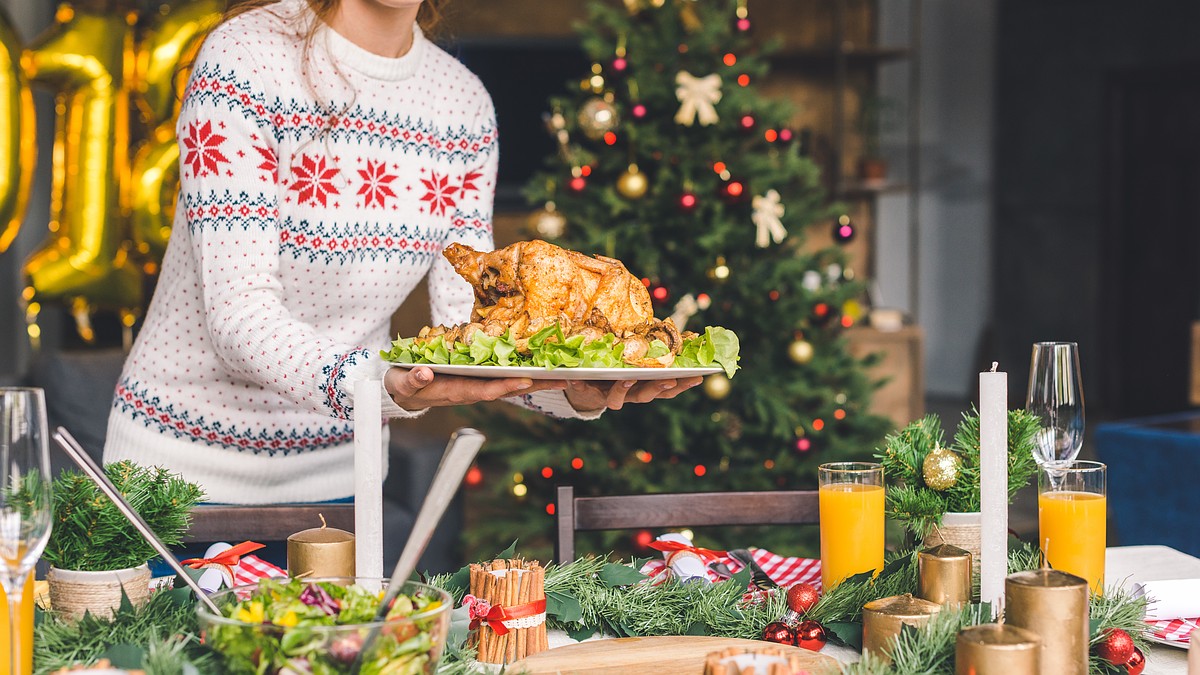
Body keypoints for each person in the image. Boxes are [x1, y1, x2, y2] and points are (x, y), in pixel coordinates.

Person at [103, 0, 701, 505]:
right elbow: (238, 318)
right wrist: (379, 382)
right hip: (176, 481)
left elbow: (476, 331)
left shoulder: (462, 104)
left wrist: (576, 389)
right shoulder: (245, 58)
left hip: (342, 488)